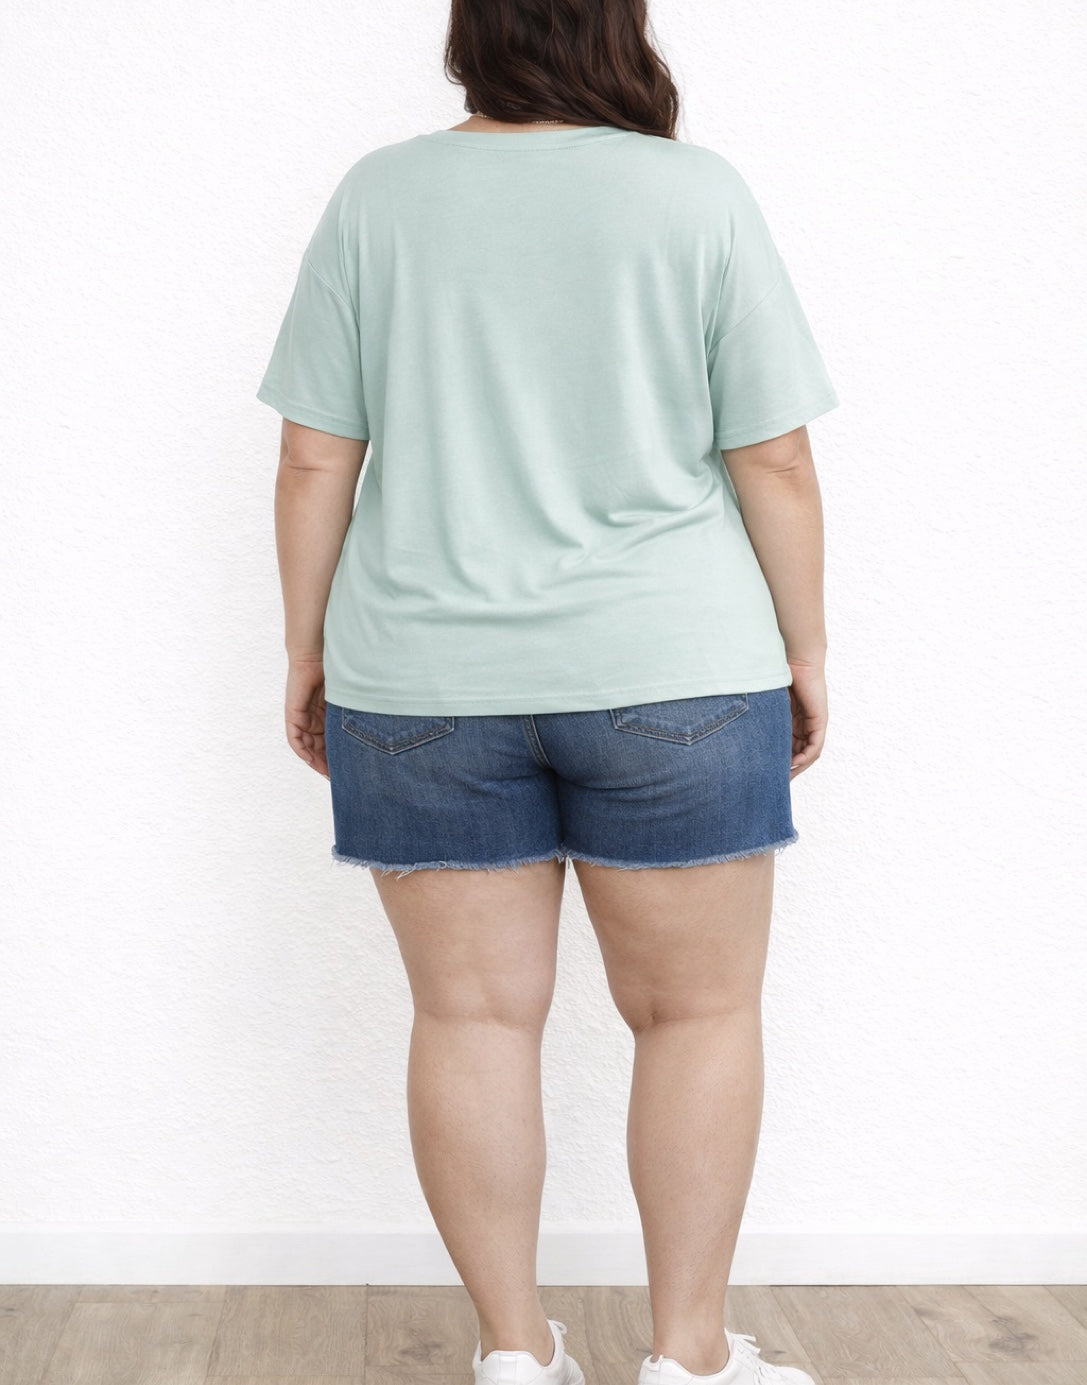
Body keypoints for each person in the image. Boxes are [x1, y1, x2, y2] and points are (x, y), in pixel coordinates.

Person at [256, 4, 838, 1384]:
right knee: (695, 1014)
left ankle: (516, 1356)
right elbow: (775, 460)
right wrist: (808, 647)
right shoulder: (690, 193)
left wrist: (306, 645)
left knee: (470, 1017)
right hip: (679, 669)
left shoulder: (380, 197)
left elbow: (310, 459)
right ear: (615, 27)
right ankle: (690, 1357)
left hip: (426, 676)